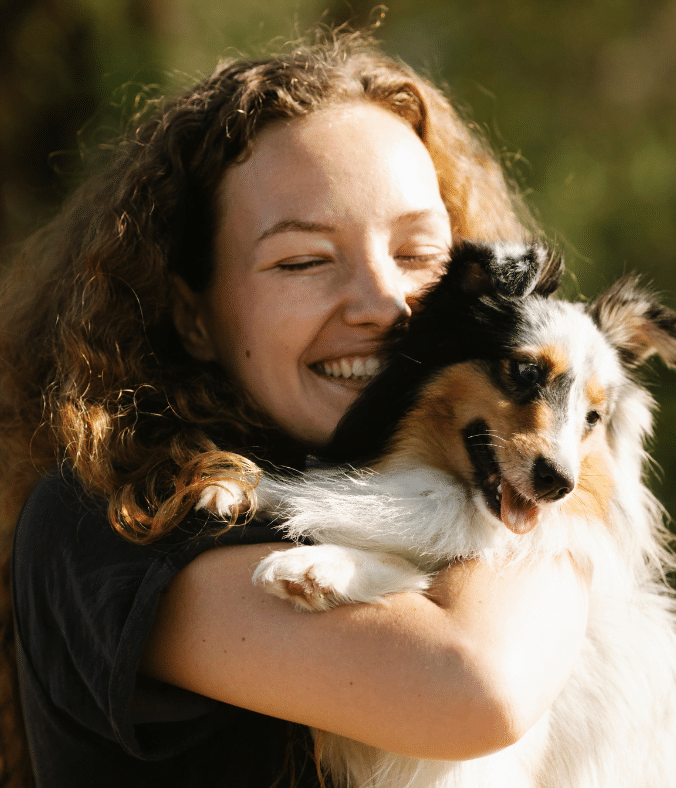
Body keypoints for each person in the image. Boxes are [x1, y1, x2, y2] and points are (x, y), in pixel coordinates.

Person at [0, 31, 589, 787]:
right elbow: (475, 683)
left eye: (419, 256)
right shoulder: (109, 524)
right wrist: (560, 452)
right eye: (304, 260)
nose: (385, 306)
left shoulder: (425, 481)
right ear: (193, 316)